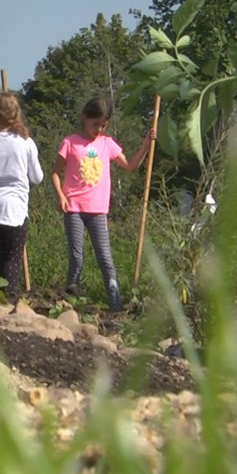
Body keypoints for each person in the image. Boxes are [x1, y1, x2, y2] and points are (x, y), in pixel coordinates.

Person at [51, 96, 154, 312]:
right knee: (77, 257)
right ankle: (70, 300)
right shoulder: (70, 143)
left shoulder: (107, 143)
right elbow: (55, 173)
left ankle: (115, 303)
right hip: (74, 208)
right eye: (94, 124)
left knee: (105, 258)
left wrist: (146, 145)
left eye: (103, 125)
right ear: (85, 118)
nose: (98, 129)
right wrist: (61, 196)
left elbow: (131, 165)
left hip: (98, 210)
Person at [0, 92, 44, 300]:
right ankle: (11, 297)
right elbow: (37, 177)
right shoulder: (25, 142)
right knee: (13, 258)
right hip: (15, 208)